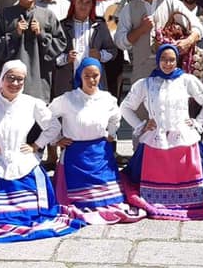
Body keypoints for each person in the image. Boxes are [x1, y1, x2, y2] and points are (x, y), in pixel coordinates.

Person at [0, 60, 84, 242]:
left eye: (20, 80)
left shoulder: (32, 103)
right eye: (11, 78)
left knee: (36, 200)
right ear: (2, 79)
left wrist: (36, 145)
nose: (15, 83)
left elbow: (53, 127)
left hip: (23, 160)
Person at [120, 44, 203, 219]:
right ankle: (156, 197)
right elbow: (125, 107)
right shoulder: (146, 84)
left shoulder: (186, 80)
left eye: (171, 60)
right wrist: (141, 125)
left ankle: (187, 199)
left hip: (182, 139)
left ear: (177, 60)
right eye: (164, 59)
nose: (168, 63)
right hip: (156, 139)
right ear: (158, 60)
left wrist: (196, 122)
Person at [43, 58, 145, 224]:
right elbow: (47, 116)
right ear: (80, 76)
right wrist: (56, 138)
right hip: (75, 155)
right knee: (79, 201)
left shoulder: (107, 98)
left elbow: (115, 117)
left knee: (111, 201)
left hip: (101, 154)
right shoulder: (68, 99)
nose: (92, 80)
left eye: (95, 75)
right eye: (87, 76)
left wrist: (111, 133)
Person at [114, 0, 203, 83]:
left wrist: (187, 42)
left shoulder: (173, 4)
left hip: (170, 70)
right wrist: (141, 30)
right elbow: (120, 42)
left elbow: (198, 28)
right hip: (142, 71)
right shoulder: (129, 8)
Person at [0, 0, 67, 103]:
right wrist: (15, 34)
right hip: (9, 82)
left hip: (38, 80)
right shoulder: (4, 15)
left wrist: (41, 34)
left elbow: (60, 44)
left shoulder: (48, 16)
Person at [52, 0, 118, 97]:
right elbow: (52, 54)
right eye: (80, 1)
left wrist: (100, 55)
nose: (83, 5)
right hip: (68, 81)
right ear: (74, 2)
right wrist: (65, 58)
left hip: (93, 81)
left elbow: (112, 51)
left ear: (92, 5)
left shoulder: (100, 26)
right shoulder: (62, 26)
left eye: (88, 2)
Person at [91, 0, 125, 95]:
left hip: (115, 53)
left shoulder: (120, 3)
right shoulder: (88, 2)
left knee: (113, 90)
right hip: (93, 50)